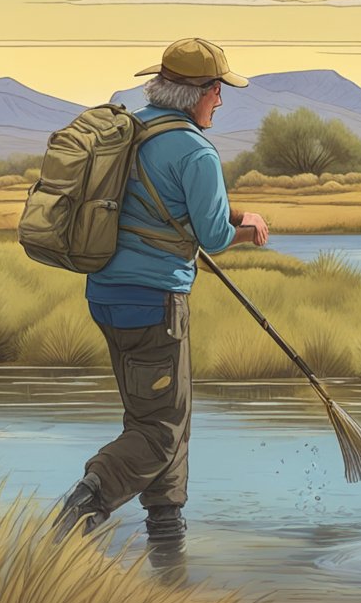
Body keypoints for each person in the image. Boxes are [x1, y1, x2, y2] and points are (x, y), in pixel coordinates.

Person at [55, 38, 269, 561]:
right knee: (159, 431)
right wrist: (251, 227)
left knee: (162, 417)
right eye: (218, 91)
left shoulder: (132, 131)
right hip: (154, 306)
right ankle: (85, 503)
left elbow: (163, 203)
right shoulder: (196, 149)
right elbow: (213, 236)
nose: (219, 101)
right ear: (200, 93)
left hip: (106, 295)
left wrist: (232, 214)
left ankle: (167, 540)